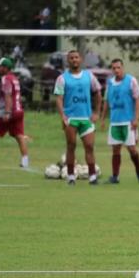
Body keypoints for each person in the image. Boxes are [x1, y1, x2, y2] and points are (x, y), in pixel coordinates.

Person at [54, 50, 102, 185]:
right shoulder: (62, 78)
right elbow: (59, 98)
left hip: (86, 118)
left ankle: (92, 176)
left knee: (89, 146)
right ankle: (70, 176)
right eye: (71, 58)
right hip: (71, 118)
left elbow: (98, 93)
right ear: (68, 61)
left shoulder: (89, 76)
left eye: (76, 57)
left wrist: (97, 112)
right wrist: (63, 115)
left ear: (80, 60)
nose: (74, 60)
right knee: (71, 146)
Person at [100, 59, 139, 185]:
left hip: (128, 122)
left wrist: (136, 119)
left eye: (118, 67)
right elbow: (106, 102)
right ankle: (115, 177)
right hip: (114, 122)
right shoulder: (110, 83)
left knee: (132, 149)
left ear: (122, 68)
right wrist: (103, 119)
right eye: (114, 68)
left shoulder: (131, 81)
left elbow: (137, 100)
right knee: (115, 150)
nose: (116, 70)